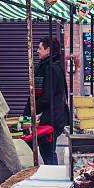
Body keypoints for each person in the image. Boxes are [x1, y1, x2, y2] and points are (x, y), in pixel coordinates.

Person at [24, 36, 70, 165]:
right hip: (54, 115)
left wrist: (31, 111)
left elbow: (47, 97)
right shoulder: (54, 66)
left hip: (52, 118)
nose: (37, 51)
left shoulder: (50, 68)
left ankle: (53, 178)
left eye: (40, 48)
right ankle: (52, 175)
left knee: (47, 151)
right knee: (47, 151)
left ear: (48, 50)